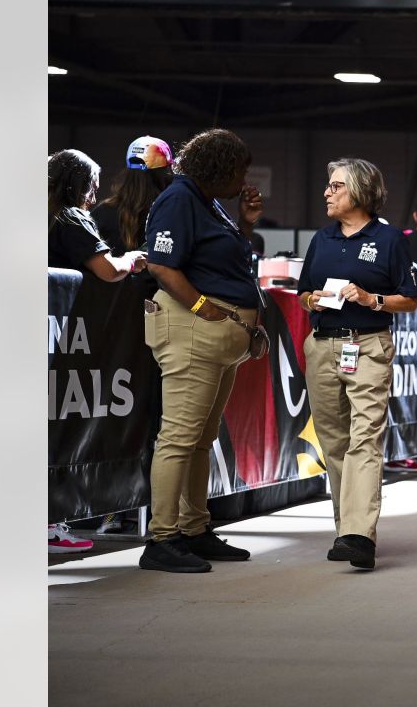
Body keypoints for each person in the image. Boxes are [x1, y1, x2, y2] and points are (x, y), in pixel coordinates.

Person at [139, 128, 264, 573]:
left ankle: (193, 529)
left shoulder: (207, 202)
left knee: (199, 440)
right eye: (241, 169)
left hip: (215, 336)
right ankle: (162, 539)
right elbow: (160, 263)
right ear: (222, 167)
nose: (245, 178)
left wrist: (245, 224)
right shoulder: (179, 199)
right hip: (193, 330)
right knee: (178, 438)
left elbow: (220, 259)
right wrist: (199, 305)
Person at [297, 158, 417, 571]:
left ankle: (358, 536)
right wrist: (311, 300)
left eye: (336, 186)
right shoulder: (321, 239)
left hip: (367, 346)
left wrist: (373, 299)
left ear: (361, 191)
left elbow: (410, 298)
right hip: (322, 346)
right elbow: (302, 293)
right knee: (334, 444)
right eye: (328, 185)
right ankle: (344, 529)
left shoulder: (389, 240)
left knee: (364, 438)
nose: (327, 192)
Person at [47, 148, 148, 554]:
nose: (95, 193)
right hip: (63, 343)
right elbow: (107, 271)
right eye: (91, 184)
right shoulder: (70, 218)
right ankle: (51, 523)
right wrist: (132, 258)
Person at [89, 135, 176, 535]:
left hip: (106, 333)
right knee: (155, 421)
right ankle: (145, 508)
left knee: (110, 416)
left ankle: (110, 507)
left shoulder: (102, 214)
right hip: (156, 328)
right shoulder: (170, 213)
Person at [48, 149, 147, 282]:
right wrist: (132, 259)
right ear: (77, 186)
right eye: (92, 190)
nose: (93, 200)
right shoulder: (70, 218)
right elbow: (110, 271)